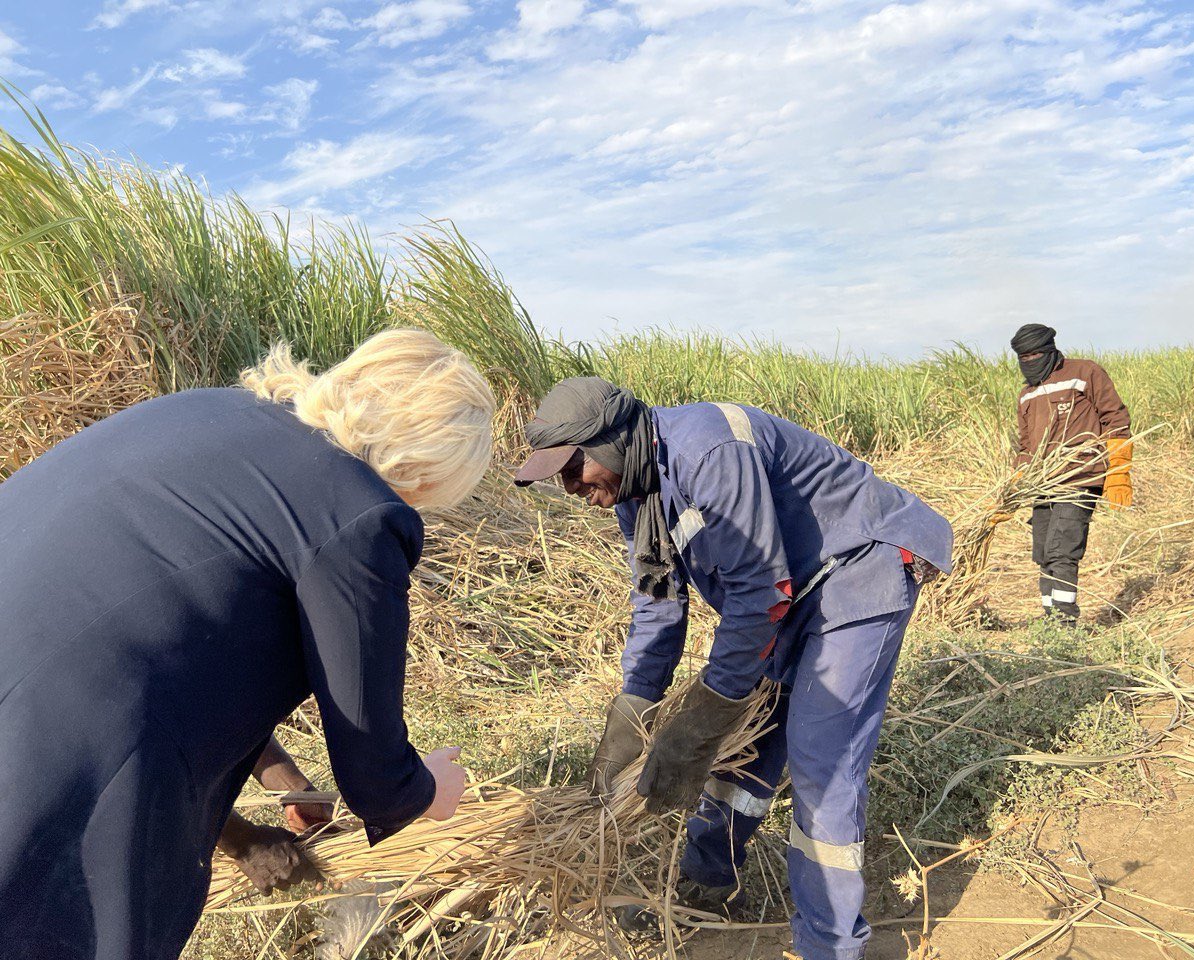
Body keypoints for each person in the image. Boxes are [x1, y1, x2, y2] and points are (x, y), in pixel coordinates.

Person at [0, 329, 492, 960]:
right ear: (430, 466)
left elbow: (175, 626)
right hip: (61, 740)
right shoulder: (358, 512)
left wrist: (285, 779)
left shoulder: (208, 411)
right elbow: (376, 769)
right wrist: (428, 790)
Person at [513, 378, 953, 960]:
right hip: (788, 591)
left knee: (820, 756)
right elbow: (658, 607)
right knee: (744, 744)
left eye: (573, 469)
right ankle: (706, 882)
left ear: (614, 442)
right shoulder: (638, 495)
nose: (570, 487)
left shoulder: (709, 449)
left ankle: (830, 945)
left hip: (856, 569)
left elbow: (757, 591)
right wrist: (632, 715)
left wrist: (703, 716)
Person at [1009, 323, 1132, 623]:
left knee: (1062, 552)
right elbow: (1026, 446)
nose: (1030, 361)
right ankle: (1050, 619)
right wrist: (1013, 487)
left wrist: (1119, 472)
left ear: (1050, 350)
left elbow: (1115, 418)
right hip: (1043, 484)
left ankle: (1064, 624)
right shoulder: (1027, 395)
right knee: (1043, 555)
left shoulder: (1084, 373)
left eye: (1035, 354)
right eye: (1023, 357)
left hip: (1079, 477)